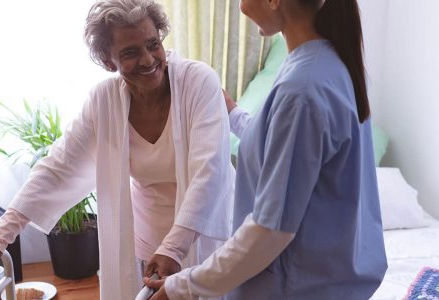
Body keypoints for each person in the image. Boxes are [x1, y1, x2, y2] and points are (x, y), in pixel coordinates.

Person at [0, 0, 234, 299]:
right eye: (129, 52)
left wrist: (174, 247)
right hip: (149, 234)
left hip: (207, 229)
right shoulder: (104, 101)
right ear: (107, 61)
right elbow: (57, 167)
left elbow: (210, 172)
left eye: (153, 44)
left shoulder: (198, 82)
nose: (147, 59)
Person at [144, 0, 388, 299]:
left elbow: (270, 230)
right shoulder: (327, 64)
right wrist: (233, 114)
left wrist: (182, 287)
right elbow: (289, 153)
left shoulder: (301, 89)